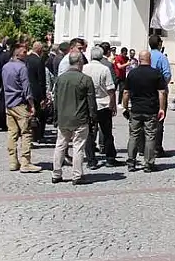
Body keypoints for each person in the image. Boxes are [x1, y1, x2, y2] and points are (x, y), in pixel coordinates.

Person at [52, 52, 96, 185]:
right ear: (80, 62)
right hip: (80, 118)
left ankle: (56, 173)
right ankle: (77, 175)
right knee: (78, 147)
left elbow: (56, 100)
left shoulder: (60, 79)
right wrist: (93, 118)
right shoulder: (86, 79)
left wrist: (56, 116)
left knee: (60, 145)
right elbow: (91, 102)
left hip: (63, 118)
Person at [122, 50, 168, 172]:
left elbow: (126, 92)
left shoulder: (132, 73)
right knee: (150, 136)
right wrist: (162, 108)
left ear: (139, 59)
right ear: (150, 59)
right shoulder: (156, 73)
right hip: (150, 109)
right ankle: (148, 163)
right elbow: (162, 92)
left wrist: (125, 107)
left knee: (133, 135)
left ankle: (131, 162)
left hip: (136, 109)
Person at [2, 43, 42, 173]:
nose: (26, 54)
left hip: (9, 103)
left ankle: (13, 161)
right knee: (26, 132)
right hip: (20, 103)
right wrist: (31, 105)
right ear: (17, 53)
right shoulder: (22, 67)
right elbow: (26, 88)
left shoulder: (6, 67)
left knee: (12, 133)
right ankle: (25, 162)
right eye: (24, 52)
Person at [84, 46, 119, 169]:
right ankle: (110, 158)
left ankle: (91, 160)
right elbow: (111, 89)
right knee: (107, 132)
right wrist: (113, 104)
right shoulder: (104, 69)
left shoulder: (84, 68)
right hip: (103, 103)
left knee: (89, 133)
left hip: (88, 104)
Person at [148, 35, 172, 157]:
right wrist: (161, 85)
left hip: (145, 91)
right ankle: (157, 148)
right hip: (159, 92)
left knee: (146, 120)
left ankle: (144, 147)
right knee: (159, 119)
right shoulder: (162, 57)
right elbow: (167, 74)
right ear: (159, 44)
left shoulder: (146, 56)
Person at [25, 42, 48, 143]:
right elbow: (41, 80)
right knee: (39, 115)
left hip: (27, 90)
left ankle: (29, 134)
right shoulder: (39, 61)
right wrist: (43, 96)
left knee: (29, 114)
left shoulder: (26, 59)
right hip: (37, 92)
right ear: (39, 50)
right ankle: (37, 135)